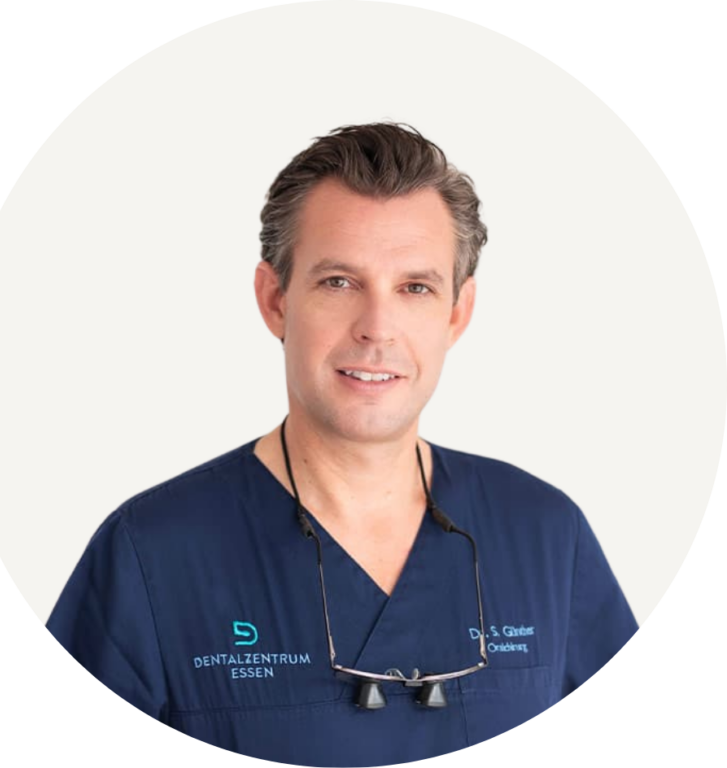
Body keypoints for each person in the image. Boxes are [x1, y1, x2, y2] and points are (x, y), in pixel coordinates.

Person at [45, 122, 638, 760]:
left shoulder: (546, 536)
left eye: (415, 287)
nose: (376, 328)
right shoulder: (151, 554)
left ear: (456, 313)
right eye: (339, 282)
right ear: (275, 300)